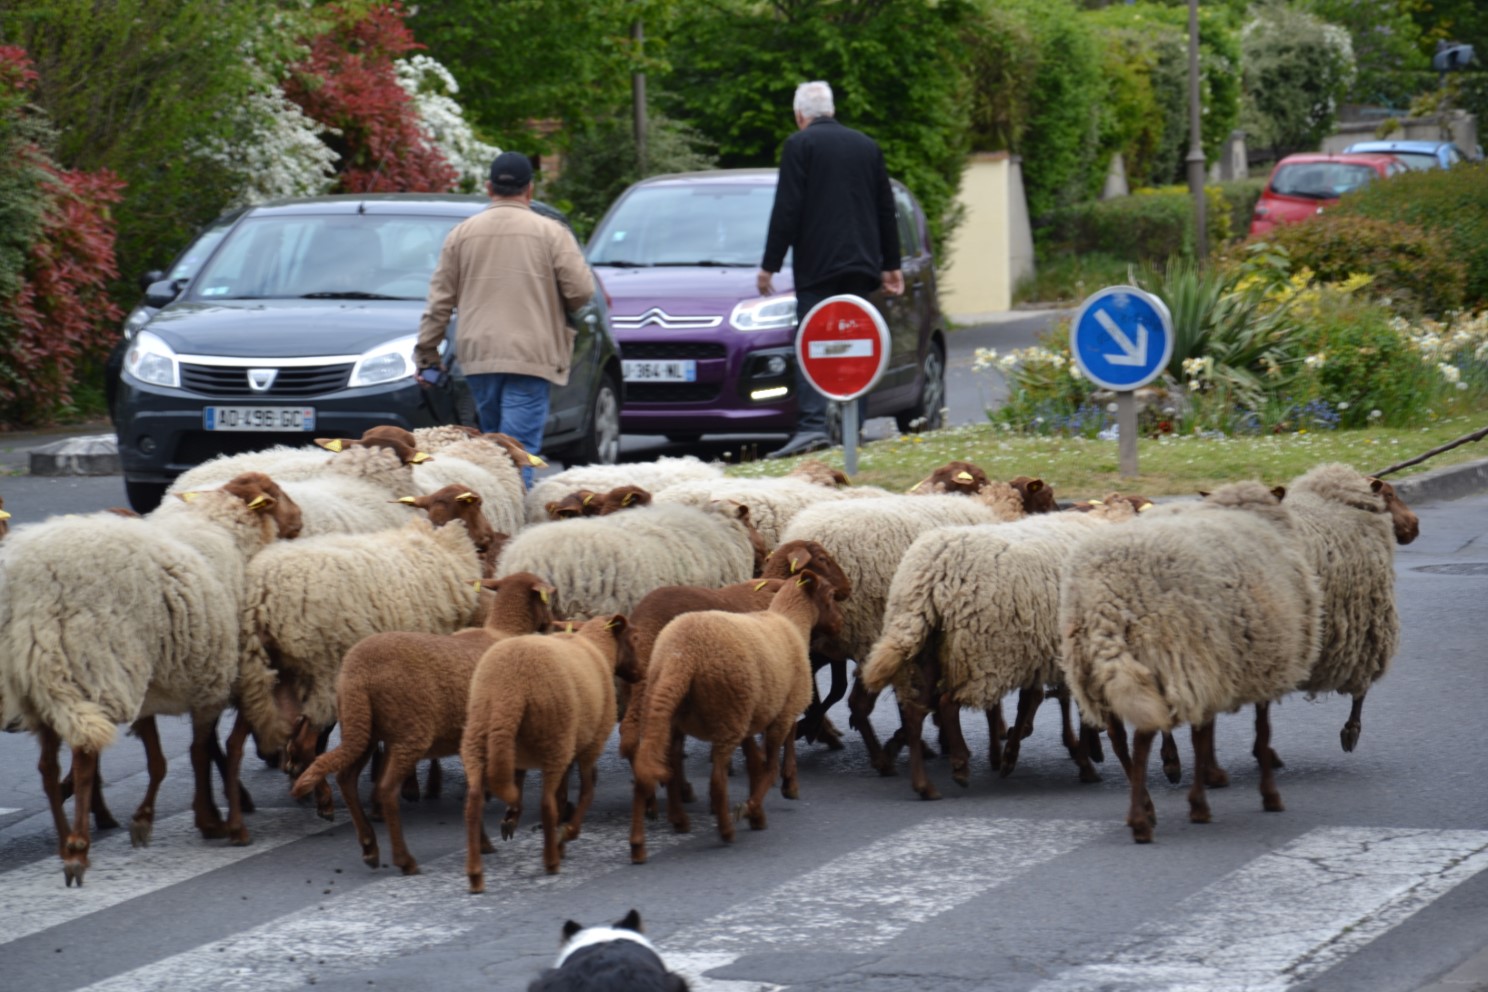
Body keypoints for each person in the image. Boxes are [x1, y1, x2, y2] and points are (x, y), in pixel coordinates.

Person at [415, 151, 594, 487]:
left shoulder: (461, 234)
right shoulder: (551, 232)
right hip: (532, 353)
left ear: (489, 187)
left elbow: (439, 302)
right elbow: (581, 291)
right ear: (530, 190)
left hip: (479, 355)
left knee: (492, 448)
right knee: (518, 449)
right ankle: (513, 525)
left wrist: (427, 354)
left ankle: (495, 516)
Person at [758, 80, 904, 459]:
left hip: (818, 266)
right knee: (859, 338)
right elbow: (884, 207)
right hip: (861, 265)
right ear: (832, 110)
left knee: (813, 340)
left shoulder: (799, 145)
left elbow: (786, 208)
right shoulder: (866, 146)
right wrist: (891, 265)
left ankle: (811, 427)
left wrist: (769, 266)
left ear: (799, 115)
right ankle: (854, 422)